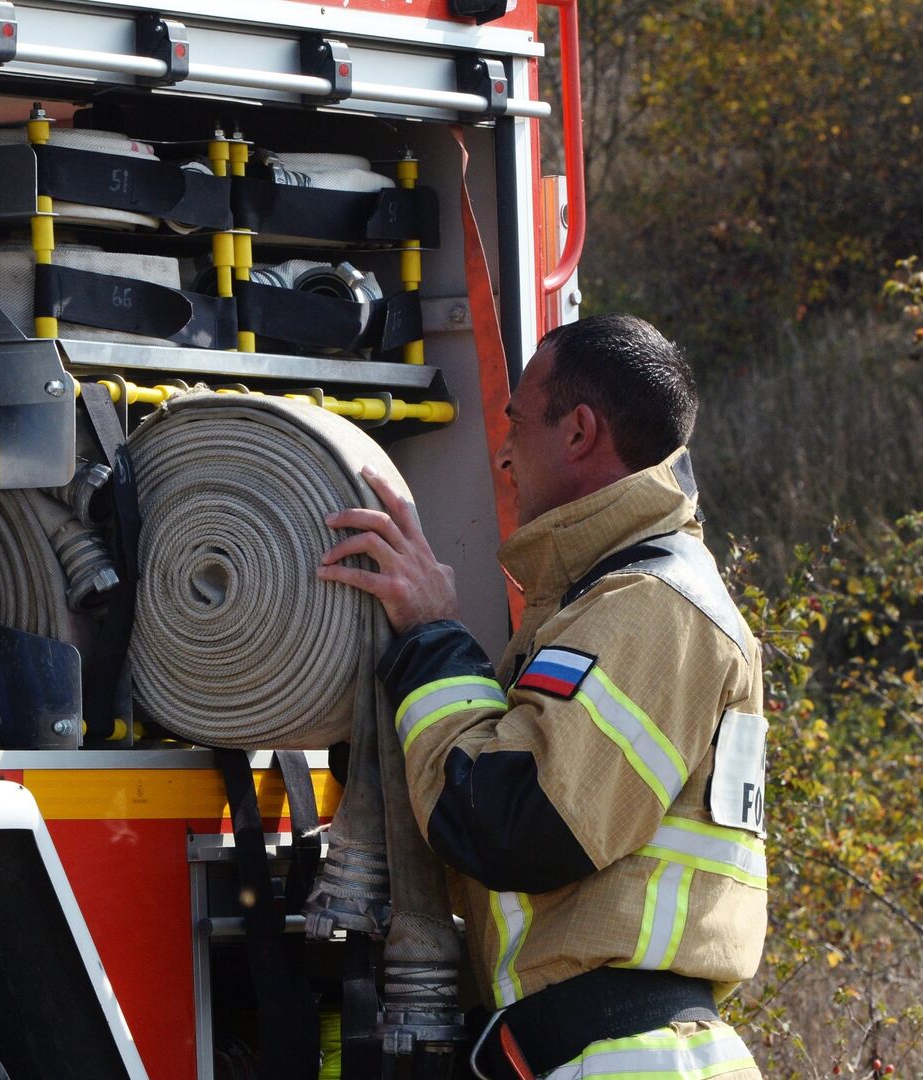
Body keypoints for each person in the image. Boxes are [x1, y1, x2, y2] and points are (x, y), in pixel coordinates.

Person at [317, 314, 768, 1079]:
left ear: (580, 432)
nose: (501, 452)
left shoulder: (649, 608)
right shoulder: (603, 605)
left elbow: (513, 822)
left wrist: (431, 636)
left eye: (516, 424)